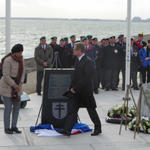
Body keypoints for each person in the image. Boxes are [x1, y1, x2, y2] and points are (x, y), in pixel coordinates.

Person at [56, 42, 102, 136]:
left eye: (75, 49)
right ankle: (67, 130)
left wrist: (75, 88)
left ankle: (98, 128)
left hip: (85, 91)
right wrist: (71, 87)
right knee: (73, 110)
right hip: (77, 91)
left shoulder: (88, 61)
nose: (73, 50)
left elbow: (87, 78)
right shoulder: (77, 60)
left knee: (91, 110)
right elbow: (75, 76)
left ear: (79, 51)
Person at [0, 44, 24, 134]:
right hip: (7, 88)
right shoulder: (7, 61)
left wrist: (20, 82)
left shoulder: (21, 59)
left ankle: (14, 126)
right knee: (8, 108)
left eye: (22, 52)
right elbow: (5, 76)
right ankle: (7, 128)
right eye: (19, 52)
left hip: (17, 88)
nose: (21, 54)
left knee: (17, 108)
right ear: (14, 53)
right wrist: (14, 85)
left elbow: (23, 71)